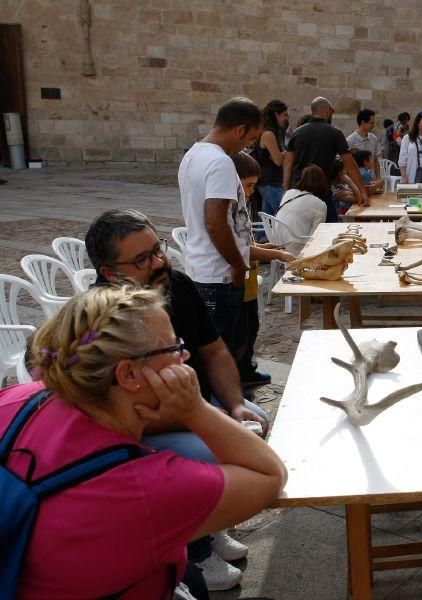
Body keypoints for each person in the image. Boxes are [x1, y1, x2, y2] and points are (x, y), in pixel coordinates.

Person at [2, 285, 286, 597]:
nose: (185, 355)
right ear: (129, 375)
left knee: (191, 577)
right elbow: (270, 474)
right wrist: (195, 409)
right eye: (173, 348)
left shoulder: (18, 397)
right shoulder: (145, 487)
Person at [86, 209, 272, 590]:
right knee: (210, 451)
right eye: (142, 260)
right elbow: (122, 414)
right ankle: (196, 551)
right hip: (141, 423)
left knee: (255, 416)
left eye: (158, 250)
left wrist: (234, 405)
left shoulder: (177, 284)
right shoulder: (104, 319)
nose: (158, 263)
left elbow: (215, 351)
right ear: (109, 273)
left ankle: (213, 523)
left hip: (190, 404)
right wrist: (205, 419)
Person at [178, 97, 260, 359]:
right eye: (251, 138)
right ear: (239, 130)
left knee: (217, 343)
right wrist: (237, 264)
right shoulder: (221, 162)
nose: (249, 146)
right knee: (223, 348)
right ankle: (226, 398)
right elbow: (215, 222)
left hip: (203, 266)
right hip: (219, 271)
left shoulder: (192, 155)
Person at [231, 152, 296, 388]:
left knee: (251, 328)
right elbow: (241, 249)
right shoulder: (227, 207)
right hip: (240, 275)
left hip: (249, 278)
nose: (250, 191)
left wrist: (263, 246)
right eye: (247, 186)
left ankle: (248, 369)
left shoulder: (242, 203)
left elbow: (247, 244)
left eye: (253, 186)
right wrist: (276, 254)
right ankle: (240, 374)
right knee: (240, 334)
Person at [282, 96, 368, 207]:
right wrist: (362, 192)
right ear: (327, 109)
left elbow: (288, 164)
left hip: (298, 191)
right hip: (321, 191)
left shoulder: (297, 133)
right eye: (332, 111)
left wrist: (286, 191)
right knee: (330, 223)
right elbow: (351, 165)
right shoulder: (335, 133)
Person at [277, 165, 329, 255]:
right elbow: (315, 236)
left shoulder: (289, 193)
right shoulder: (320, 205)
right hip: (296, 246)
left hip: (277, 240)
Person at [255, 99, 290, 216]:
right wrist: (284, 154)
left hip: (268, 183)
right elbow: (278, 161)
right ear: (276, 114)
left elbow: (276, 157)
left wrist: (280, 154)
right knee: (283, 217)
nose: (287, 118)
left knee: (267, 222)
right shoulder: (268, 134)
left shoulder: (269, 133)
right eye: (284, 115)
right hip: (271, 183)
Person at [346, 108, 382, 179]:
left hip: (372, 180)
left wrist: (378, 177)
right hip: (357, 180)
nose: (373, 125)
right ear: (362, 123)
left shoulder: (373, 138)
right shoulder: (350, 141)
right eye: (371, 123)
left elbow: (375, 160)